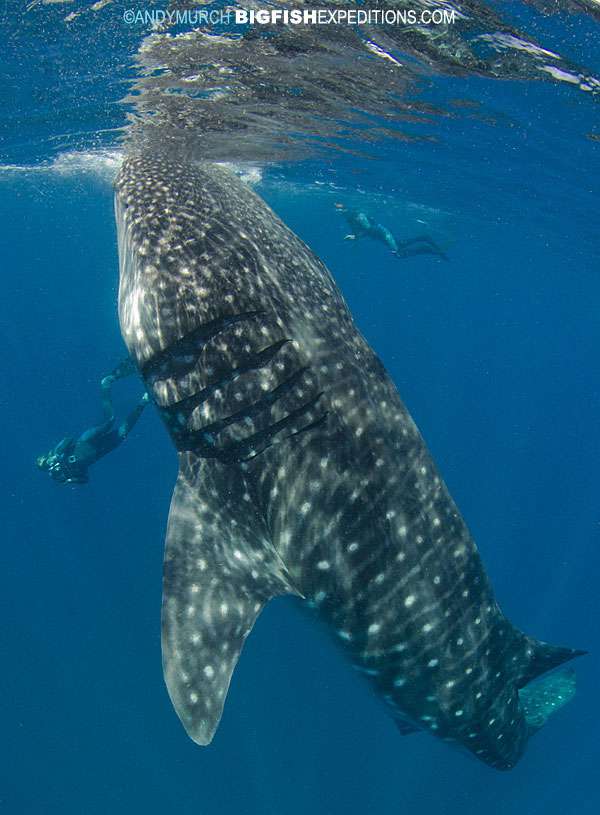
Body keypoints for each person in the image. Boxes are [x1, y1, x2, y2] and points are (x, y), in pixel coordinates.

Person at [36, 358, 149, 485]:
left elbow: (68, 439)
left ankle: (106, 383)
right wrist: (70, 480)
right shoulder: (59, 476)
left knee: (110, 420)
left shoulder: (56, 453)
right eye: (45, 466)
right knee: (122, 432)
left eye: (46, 461)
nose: (48, 464)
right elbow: (85, 479)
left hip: (86, 441)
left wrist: (57, 454)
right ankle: (143, 401)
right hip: (97, 453)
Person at [335, 202, 448, 260]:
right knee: (402, 244)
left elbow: (370, 229)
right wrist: (355, 237)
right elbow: (359, 231)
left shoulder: (358, 216)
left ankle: (427, 248)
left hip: (384, 235)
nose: (340, 212)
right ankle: (424, 238)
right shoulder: (350, 219)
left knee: (399, 254)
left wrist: (357, 237)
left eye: (341, 210)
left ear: (347, 209)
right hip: (381, 236)